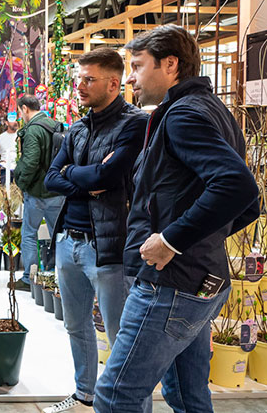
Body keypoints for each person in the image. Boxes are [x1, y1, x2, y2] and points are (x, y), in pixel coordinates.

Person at [94, 25, 260, 412]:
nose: (130, 77)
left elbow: (239, 188)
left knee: (116, 395)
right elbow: (244, 202)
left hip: (170, 285)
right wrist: (198, 240)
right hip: (199, 279)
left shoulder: (184, 115)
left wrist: (172, 241)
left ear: (170, 65)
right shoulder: (210, 108)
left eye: (137, 66)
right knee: (186, 396)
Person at [42, 48, 148, 413]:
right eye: (79, 78)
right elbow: (51, 178)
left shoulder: (133, 124)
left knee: (122, 337)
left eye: (89, 79)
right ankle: (84, 393)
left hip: (108, 247)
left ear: (113, 83)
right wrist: (83, 178)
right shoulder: (77, 127)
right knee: (76, 325)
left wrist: (76, 174)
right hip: (68, 242)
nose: (80, 86)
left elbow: (110, 175)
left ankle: (127, 405)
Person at [13, 94, 64, 291]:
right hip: (57, 191)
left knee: (29, 234)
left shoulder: (33, 129)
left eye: (20, 112)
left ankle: (29, 278)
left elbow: (31, 161)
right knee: (58, 234)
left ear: (25, 108)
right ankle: (62, 276)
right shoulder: (56, 124)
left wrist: (22, 182)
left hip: (37, 193)